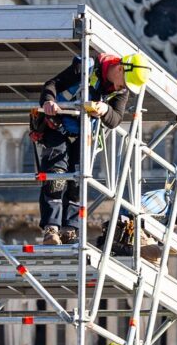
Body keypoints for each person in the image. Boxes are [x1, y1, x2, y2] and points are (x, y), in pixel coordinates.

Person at [38, 53, 150, 245]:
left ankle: (70, 229)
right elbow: (52, 85)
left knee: (78, 180)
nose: (121, 88)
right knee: (55, 176)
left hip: (86, 132)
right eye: (122, 83)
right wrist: (49, 102)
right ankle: (51, 228)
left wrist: (105, 110)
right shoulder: (86, 68)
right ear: (120, 68)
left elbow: (116, 119)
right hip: (57, 125)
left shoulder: (122, 91)